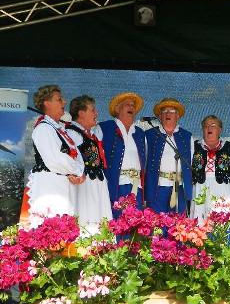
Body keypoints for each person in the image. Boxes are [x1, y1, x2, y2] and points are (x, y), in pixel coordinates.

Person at [25, 85, 85, 224]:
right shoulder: (43, 128)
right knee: (52, 227)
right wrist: (78, 171)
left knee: (66, 227)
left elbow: (76, 154)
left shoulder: (59, 130)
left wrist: (80, 172)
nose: (64, 102)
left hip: (64, 187)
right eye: (59, 99)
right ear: (47, 103)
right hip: (51, 189)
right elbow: (55, 159)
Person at [67, 95, 112, 230]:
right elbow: (69, 161)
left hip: (98, 185)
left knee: (101, 222)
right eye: (92, 110)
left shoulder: (93, 134)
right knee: (86, 221)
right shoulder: (71, 134)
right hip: (84, 187)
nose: (96, 113)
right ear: (81, 113)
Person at [97, 92, 147, 216]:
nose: (131, 107)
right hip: (116, 186)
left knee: (136, 222)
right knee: (117, 221)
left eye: (133, 105)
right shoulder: (104, 128)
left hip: (136, 187)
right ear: (117, 108)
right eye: (127, 104)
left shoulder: (140, 133)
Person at [144, 97, 193, 214]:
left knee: (179, 223)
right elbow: (143, 162)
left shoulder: (187, 136)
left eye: (172, 111)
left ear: (178, 116)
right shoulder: (149, 135)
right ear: (160, 116)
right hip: (157, 188)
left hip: (180, 188)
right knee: (156, 222)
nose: (168, 114)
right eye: (164, 111)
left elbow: (191, 162)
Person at [190, 115, 230, 221]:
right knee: (199, 221)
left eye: (213, 125)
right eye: (206, 126)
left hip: (223, 189)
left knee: (222, 221)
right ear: (202, 130)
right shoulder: (194, 147)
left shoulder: (229, 148)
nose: (209, 128)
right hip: (200, 188)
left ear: (220, 130)